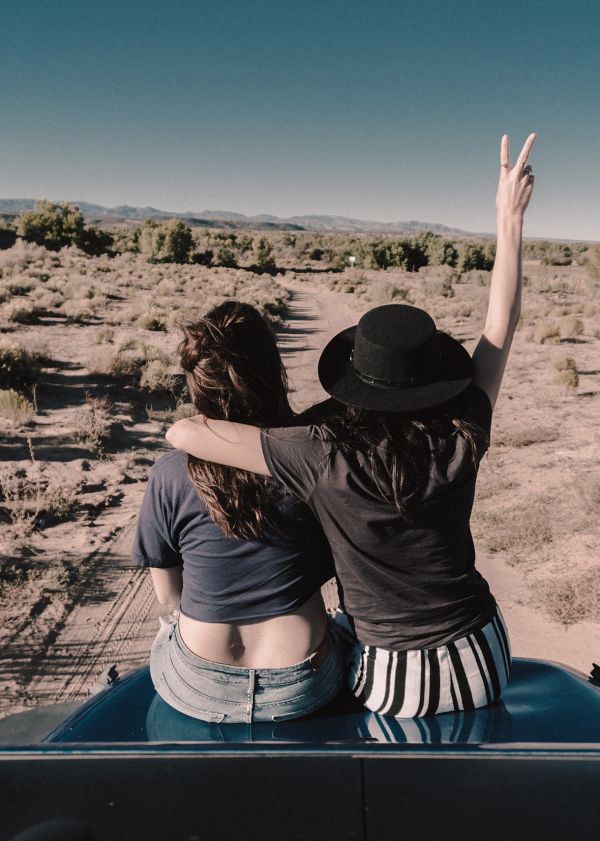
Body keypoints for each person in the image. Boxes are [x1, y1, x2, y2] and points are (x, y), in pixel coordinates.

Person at [166, 133, 536, 718]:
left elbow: (185, 433)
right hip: (484, 658)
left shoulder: (321, 450)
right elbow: (500, 325)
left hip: (394, 682)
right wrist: (508, 218)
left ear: (356, 381)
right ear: (435, 378)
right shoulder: (464, 427)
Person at [132, 301, 345, 723]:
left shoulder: (170, 473)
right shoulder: (312, 461)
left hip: (198, 684)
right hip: (303, 684)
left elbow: (168, 597)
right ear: (272, 372)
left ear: (198, 382)